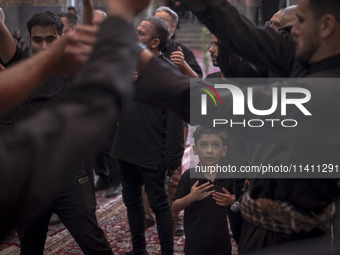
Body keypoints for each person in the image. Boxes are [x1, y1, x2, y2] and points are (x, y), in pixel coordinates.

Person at [133, 0, 340, 253]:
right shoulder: (309, 46)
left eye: (300, 22)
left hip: (292, 235)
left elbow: (212, 104)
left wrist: (142, 64)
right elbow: (241, 33)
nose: (291, 30)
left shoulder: (326, 92)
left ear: (327, 26)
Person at [0, 0, 151, 242]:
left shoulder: (74, 71)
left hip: (70, 177)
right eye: (37, 40)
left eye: (50, 39)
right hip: (31, 179)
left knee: (93, 241)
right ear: (29, 40)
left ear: (61, 38)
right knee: (31, 245)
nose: (43, 45)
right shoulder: (22, 67)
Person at [112, 16, 184, 255]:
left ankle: (166, 252)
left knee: (160, 205)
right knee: (131, 202)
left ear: (154, 42)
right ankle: (139, 249)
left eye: (140, 34)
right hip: (126, 146)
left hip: (152, 152)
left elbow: (175, 122)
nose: (135, 37)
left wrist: (173, 160)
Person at [172, 126, 235, 255]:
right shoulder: (188, 177)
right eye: (204, 145)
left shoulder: (228, 176)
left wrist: (232, 200)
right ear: (195, 149)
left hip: (221, 245)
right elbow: (174, 208)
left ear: (224, 151)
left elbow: (239, 203)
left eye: (215, 145)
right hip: (195, 246)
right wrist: (190, 198)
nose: (210, 150)